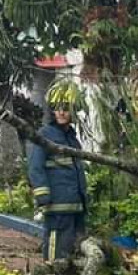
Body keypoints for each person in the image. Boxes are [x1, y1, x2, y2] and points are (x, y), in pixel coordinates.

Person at [27, 102, 88, 262]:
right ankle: (52, 274)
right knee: (56, 245)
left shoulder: (72, 139)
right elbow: (35, 167)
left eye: (66, 109)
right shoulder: (44, 135)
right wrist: (43, 196)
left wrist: (83, 198)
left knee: (73, 246)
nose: (61, 113)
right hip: (56, 203)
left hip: (75, 204)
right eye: (57, 109)